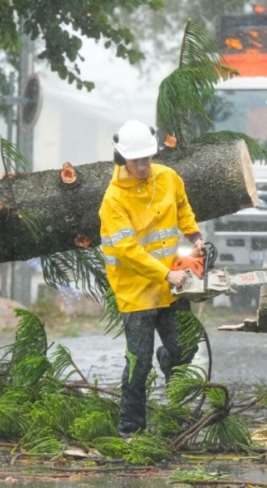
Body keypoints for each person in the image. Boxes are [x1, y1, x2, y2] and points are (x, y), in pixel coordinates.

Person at [98, 119, 204, 437]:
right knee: (138, 361)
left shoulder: (168, 178)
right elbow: (128, 250)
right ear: (122, 159)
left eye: (147, 158)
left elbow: (183, 207)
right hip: (136, 290)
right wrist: (166, 274)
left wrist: (195, 235)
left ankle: (174, 400)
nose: (143, 166)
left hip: (171, 284)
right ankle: (130, 426)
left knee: (185, 346)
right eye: (137, 160)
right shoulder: (114, 199)